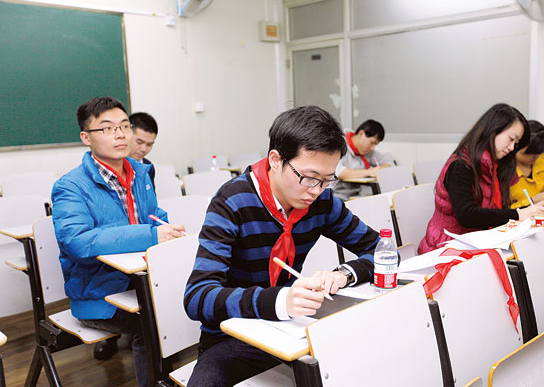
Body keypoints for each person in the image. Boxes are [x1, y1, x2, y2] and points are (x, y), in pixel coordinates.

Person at [184, 105, 380, 387]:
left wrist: (344, 275)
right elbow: (197, 297)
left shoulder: (321, 201)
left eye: (327, 180)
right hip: (234, 336)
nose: (316, 190)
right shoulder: (232, 202)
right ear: (276, 160)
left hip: (293, 329)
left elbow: (382, 251)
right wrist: (279, 301)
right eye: (309, 177)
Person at [51, 97, 185, 387]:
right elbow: (78, 242)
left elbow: (154, 216)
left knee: (192, 303)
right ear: (86, 137)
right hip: (97, 294)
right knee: (151, 325)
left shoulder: (140, 173)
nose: (120, 134)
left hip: (142, 282)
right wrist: (150, 235)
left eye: (124, 126)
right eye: (107, 128)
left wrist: (167, 229)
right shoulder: (70, 186)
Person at [418, 103, 544, 254]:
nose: (512, 147)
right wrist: (519, 214)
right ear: (493, 130)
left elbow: (494, 213)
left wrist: (529, 211)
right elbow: (467, 215)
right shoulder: (460, 165)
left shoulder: (494, 166)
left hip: (476, 244)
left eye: (516, 143)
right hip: (447, 248)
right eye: (511, 139)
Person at [333, 119, 394, 200]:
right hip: (338, 197)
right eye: (372, 142)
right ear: (361, 133)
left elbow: (388, 161)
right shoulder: (338, 145)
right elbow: (338, 172)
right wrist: (370, 172)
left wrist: (381, 169)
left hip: (358, 195)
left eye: (375, 144)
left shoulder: (367, 152)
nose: (372, 148)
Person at [510, 120, 544, 208]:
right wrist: (531, 201)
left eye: (538, 153)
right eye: (528, 153)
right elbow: (502, 209)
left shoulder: (542, 161)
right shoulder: (506, 168)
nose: (534, 157)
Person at [129, 112, 158, 189]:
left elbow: (150, 195)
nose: (144, 149)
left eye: (149, 145)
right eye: (139, 142)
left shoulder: (148, 166)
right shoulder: (115, 164)